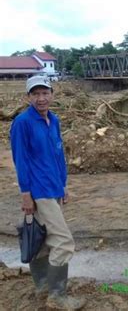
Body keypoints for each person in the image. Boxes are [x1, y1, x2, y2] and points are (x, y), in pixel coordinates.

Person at [10, 76, 85, 310]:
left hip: (54, 187)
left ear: (52, 94)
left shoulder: (54, 119)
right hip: (38, 190)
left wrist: (63, 184)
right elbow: (20, 160)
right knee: (63, 242)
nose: (41, 98)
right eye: (36, 94)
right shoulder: (22, 123)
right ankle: (57, 296)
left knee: (41, 240)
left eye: (45, 93)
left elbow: (58, 156)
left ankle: (43, 287)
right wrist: (25, 194)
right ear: (28, 97)